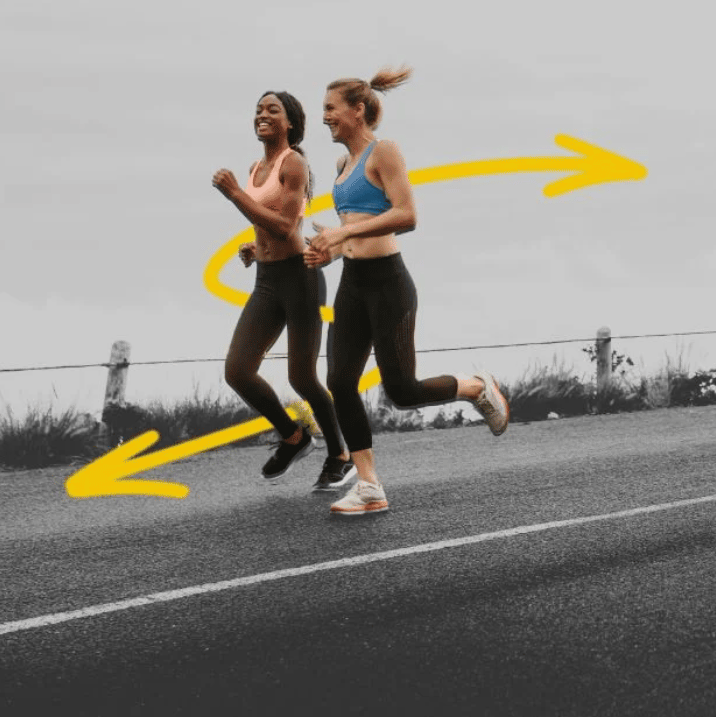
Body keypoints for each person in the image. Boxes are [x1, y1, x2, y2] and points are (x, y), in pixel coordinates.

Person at [304, 65, 510, 517]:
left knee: (402, 391)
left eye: (330, 109)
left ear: (358, 111)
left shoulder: (384, 151)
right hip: (353, 284)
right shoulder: (342, 165)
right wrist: (331, 248)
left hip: (389, 284)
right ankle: (369, 485)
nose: (324, 118)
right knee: (340, 381)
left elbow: (407, 215)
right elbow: (355, 231)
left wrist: (341, 237)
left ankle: (476, 387)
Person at [212, 90, 356, 491]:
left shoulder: (295, 163)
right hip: (267, 280)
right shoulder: (257, 166)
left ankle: (340, 455)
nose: (262, 115)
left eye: (272, 110)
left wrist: (234, 194)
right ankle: (294, 437)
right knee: (238, 371)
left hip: (300, 278)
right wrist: (255, 249)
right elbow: (268, 232)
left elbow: (286, 227)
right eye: (258, 109)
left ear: (289, 122)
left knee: (302, 378)